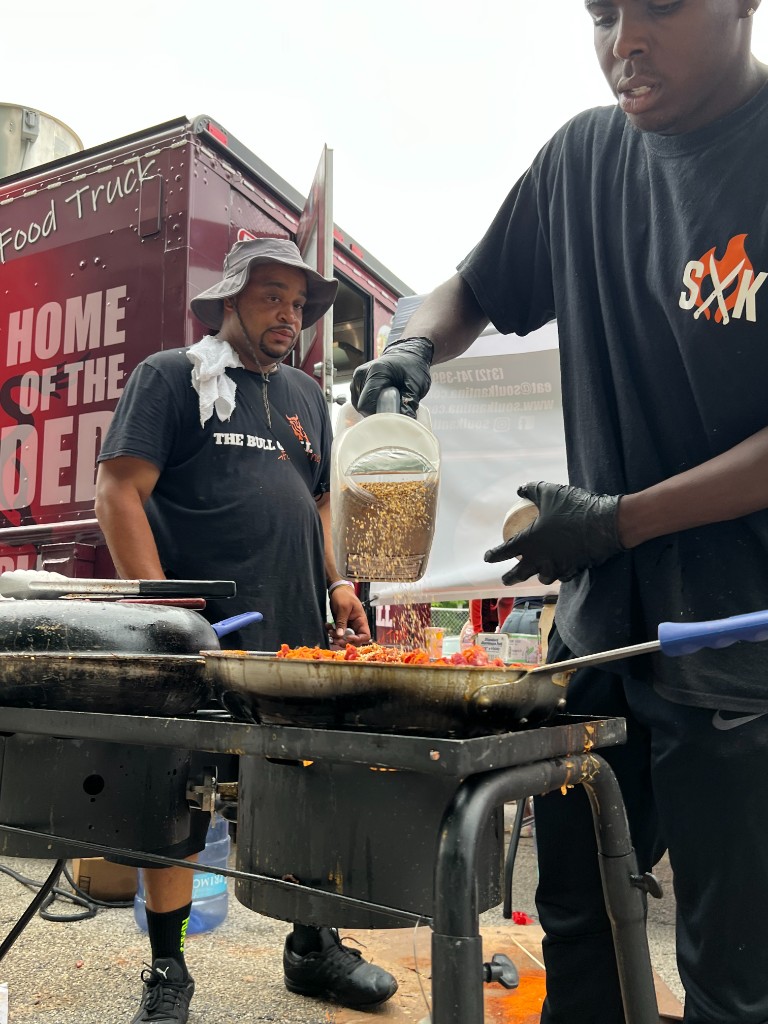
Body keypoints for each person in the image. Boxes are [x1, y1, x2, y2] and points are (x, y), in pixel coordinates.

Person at [350, 4, 768, 1022]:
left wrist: (618, 520)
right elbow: (465, 291)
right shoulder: (582, 160)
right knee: (578, 928)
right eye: (602, 13)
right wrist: (410, 347)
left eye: (659, 6)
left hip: (743, 643)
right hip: (599, 639)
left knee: (736, 975)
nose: (624, 41)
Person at [95, 237, 398, 1023]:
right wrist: (165, 612)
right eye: (271, 297)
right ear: (229, 300)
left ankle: (311, 948)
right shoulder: (172, 376)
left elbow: (320, 502)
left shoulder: (304, 396)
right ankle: (168, 972)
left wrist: (339, 582)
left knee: (304, 791)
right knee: (177, 805)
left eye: (298, 304)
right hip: (200, 642)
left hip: (294, 635)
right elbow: (118, 492)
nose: (289, 315)